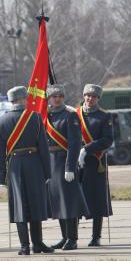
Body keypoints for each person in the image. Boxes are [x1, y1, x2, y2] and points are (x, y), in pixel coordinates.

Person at [0, 86, 53, 255]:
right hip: (34, 163)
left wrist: (1, 176)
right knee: (35, 203)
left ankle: (24, 246)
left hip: (14, 165)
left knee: (19, 205)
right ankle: (38, 244)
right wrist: (47, 172)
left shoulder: (1, 121)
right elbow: (43, 147)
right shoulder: (35, 117)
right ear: (22, 99)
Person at [45, 85, 89, 251]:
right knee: (58, 203)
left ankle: (72, 239)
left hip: (65, 162)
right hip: (51, 163)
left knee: (69, 203)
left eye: (60, 96)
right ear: (49, 98)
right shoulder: (47, 116)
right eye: (54, 96)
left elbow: (75, 143)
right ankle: (64, 237)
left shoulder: (70, 116)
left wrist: (70, 167)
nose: (57, 99)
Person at [77, 84, 113, 247]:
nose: (90, 98)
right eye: (88, 95)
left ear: (98, 98)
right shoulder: (74, 114)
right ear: (84, 96)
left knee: (97, 200)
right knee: (75, 199)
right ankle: (71, 236)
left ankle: (96, 236)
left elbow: (107, 140)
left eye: (94, 96)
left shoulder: (104, 116)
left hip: (96, 162)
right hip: (76, 162)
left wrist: (87, 149)